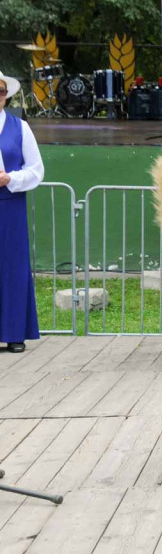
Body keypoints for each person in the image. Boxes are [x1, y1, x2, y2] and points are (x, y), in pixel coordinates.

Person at [0, 71, 44, 353]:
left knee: (13, 266)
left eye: (2, 92)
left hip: (9, 205)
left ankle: (15, 332)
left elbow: (36, 170)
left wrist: (11, 179)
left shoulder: (20, 127)